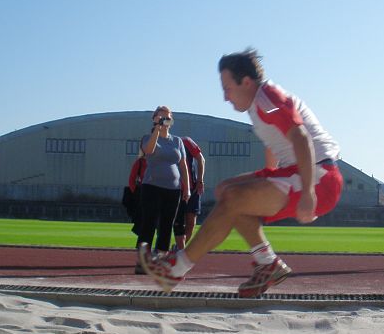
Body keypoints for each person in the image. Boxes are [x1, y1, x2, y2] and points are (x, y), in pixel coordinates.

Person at [139, 48, 343, 297]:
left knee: (234, 197)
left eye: (227, 88)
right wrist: (268, 177)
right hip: (297, 171)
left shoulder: (268, 98)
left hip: (320, 176)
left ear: (246, 82)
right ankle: (267, 263)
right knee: (226, 190)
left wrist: (308, 193)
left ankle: (176, 268)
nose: (225, 97)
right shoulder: (259, 104)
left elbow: (301, 138)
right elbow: (274, 143)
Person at [136, 106, 190, 272]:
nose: (165, 120)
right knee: (149, 223)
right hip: (152, 186)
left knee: (167, 225)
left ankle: (160, 258)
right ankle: (143, 260)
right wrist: (157, 130)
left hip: (173, 189)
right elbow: (149, 150)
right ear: (154, 119)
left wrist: (187, 188)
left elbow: (183, 165)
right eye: (161, 117)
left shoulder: (177, 141)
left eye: (167, 117)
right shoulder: (148, 138)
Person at [173, 136, 206, 250]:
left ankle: (179, 248)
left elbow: (201, 159)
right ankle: (167, 248)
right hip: (174, 189)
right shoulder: (164, 144)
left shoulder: (186, 141)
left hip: (192, 188)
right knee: (173, 221)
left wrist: (200, 180)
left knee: (191, 222)